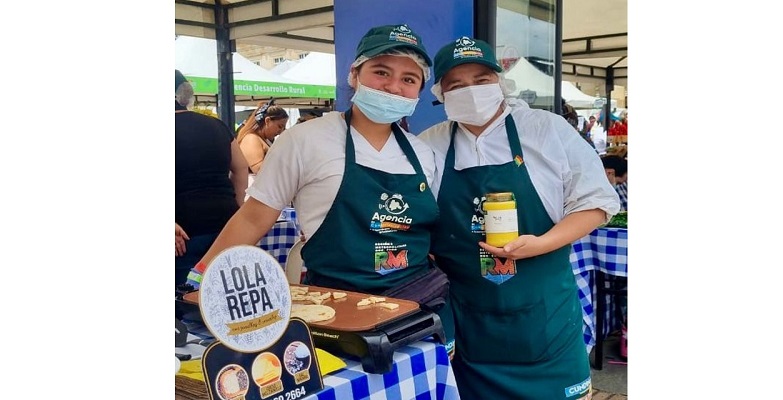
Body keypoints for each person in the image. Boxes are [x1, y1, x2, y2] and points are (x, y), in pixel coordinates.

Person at [185, 24, 448, 311]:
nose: (393, 86)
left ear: (419, 91)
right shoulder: (304, 140)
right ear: (354, 74)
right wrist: (199, 279)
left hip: (416, 304)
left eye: (409, 79)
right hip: (334, 306)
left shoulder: (423, 153)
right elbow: (252, 219)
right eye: (381, 72)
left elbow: (430, 231)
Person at [419, 36, 620, 399]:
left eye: (481, 80)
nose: (471, 90)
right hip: (470, 321)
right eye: (456, 84)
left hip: (544, 319)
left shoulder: (546, 129)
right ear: (440, 92)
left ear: (500, 81)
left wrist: (542, 243)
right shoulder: (430, 143)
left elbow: (596, 203)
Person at [175, 69, 249, 287]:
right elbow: (241, 168)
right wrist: (237, 206)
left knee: (185, 305)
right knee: (223, 296)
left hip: (184, 235)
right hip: (225, 225)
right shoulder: (217, 125)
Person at [236, 100, 289, 175]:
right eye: (280, 126)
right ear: (267, 121)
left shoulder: (261, 139)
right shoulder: (251, 139)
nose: (281, 131)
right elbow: (258, 168)